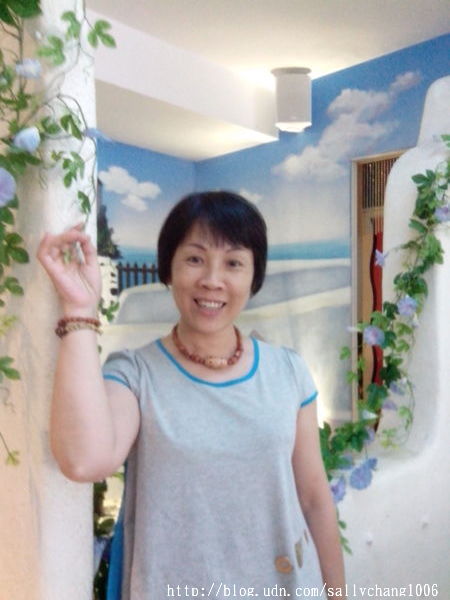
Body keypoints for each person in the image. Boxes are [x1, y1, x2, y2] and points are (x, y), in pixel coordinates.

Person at [37, 191, 346, 599]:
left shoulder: (288, 372)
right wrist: (79, 309)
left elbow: (314, 500)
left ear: (254, 277)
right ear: (169, 267)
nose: (212, 280)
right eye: (195, 259)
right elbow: (85, 460)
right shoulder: (135, 374)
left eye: (233, 263)